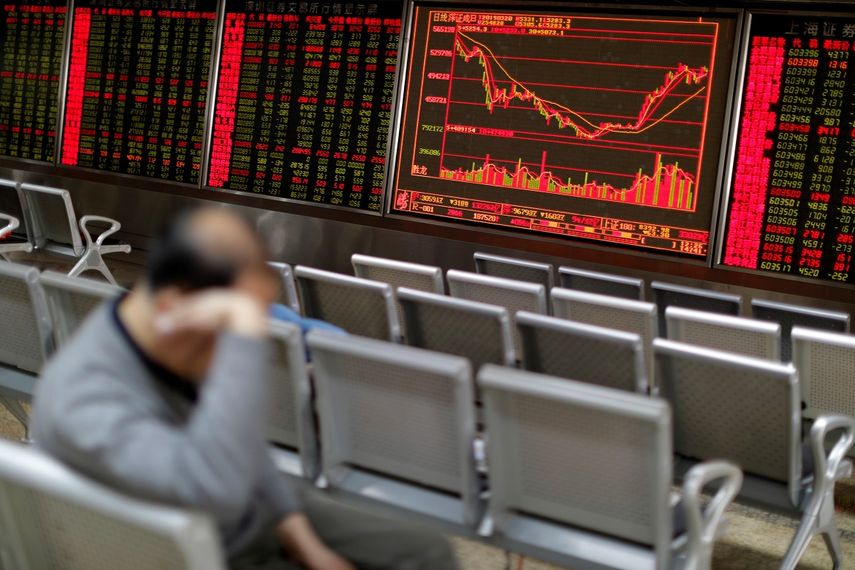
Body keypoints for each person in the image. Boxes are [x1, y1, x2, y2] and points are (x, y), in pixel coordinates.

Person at [30, 207, 457, 570]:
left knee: (425, 550)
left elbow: (245, 451)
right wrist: (241, 340)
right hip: (199, 548)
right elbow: (218, 489)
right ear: (173, 308)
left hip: (247, 517)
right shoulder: (83, 400)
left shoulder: (159, 337)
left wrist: (303, 539)